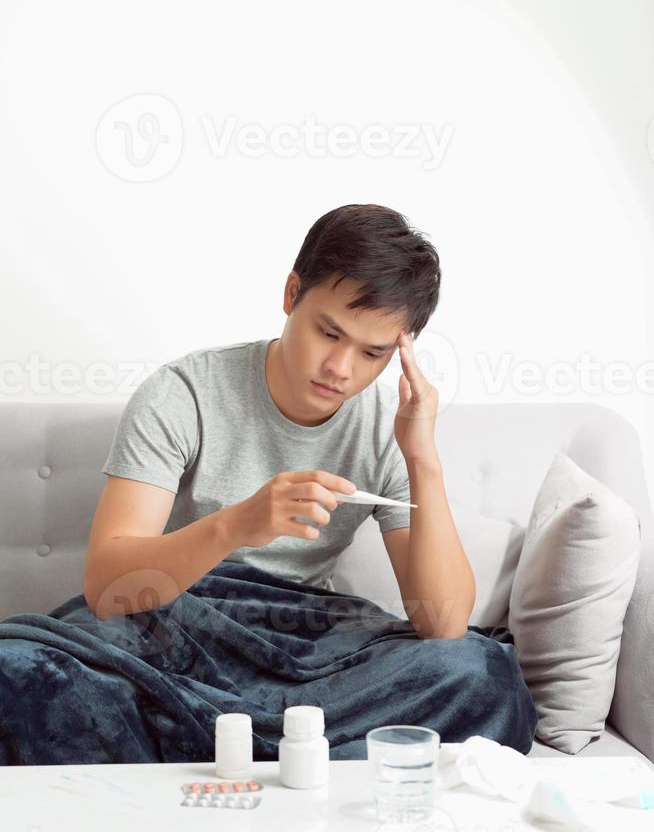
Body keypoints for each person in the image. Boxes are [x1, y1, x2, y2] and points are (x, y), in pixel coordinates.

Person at [1, 204, 539, 764]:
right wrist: (237, 524)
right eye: (328, 332)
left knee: (483, 674)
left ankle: (207, 746)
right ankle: (286, 756)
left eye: (373, 352)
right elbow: (108, 586)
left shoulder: (390, 429)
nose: (340, 368)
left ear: (401, 349)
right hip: (175, 629)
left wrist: (422, 458)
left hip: (307, 652)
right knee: (17, 675)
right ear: (291, 295)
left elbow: (445, 623)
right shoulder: (183, 394)